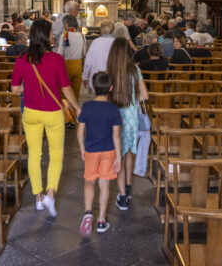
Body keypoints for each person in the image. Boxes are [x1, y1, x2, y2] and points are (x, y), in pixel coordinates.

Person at [10, 19, 80, 218]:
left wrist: (29, 87)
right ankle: (50, 194)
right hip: (52, 113)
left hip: (31, 112)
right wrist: (77, 107)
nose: (53, 36)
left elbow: (15, 89)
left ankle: (38, 198)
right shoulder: (56, 59)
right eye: (50, 33)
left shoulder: (22, 58)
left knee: (34, 154)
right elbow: (66, 89)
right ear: (45, 35)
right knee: (56, 154)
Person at [77, 71, 122, 236]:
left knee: (89, 182)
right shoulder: (113, 109)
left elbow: (79, 132)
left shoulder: (87, 107)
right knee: (104, 185)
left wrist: (82, 149)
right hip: (108, 151)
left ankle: (88, 212)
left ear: (93, 88)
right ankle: (102, 220)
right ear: (110, 88)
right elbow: (116, 136)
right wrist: (119, 156)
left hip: (90, 150)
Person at [107, 38, 148, 211]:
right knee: (129, 152)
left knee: (119, 156)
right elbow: (145, 95)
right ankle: (129, 187)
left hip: (116, 116)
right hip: (131, 116)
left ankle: (122, 196)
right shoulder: (134, 68)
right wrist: (132, 101)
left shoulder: (110, 71)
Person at [57, 14, 86, 103]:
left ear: (66, 24)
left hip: (66, 66)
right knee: (75, 93)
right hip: (78, 66)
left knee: (64, 91)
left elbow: (60, 53)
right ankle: (74, 113)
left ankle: (65, 113)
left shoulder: (65, 35)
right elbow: (84, 52)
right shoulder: (82, 35)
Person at [82, 20, 115, 91]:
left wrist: (85, 76)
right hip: (112, 78)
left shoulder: (95, 42)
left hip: (97, 79)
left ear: (101, 30)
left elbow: (88, 61)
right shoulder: (116, 42)